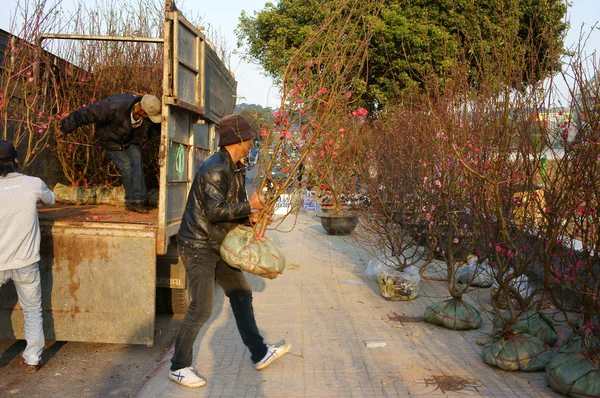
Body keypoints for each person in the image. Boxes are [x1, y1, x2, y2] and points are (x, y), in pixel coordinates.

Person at [169, 114, 290, 388]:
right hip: (198, 244)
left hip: (218, 242)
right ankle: (179, 366)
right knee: (201, 308)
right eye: (249, 138)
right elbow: (213, 212)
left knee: (241, 293)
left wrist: (251, 219)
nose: (252, 142)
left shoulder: (236, 167)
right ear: (239, 140)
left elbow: (228, 212)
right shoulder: (215, 168)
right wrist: (251, 206)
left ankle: (259, 353)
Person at [0, 140, 56, 373]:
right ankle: (33, 359)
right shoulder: (33, 183)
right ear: (16, 161)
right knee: (32, 311)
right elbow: (51, 199)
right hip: (26, 263)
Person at [60, 94, 162, 213]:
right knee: (126, 167)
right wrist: (66, 127)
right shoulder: (114, 106)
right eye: (149, 116)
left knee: (137, 162)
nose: (150, 119)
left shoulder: (148, 114)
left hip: (130, 138)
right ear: (140, 109)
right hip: (110, 139)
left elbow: (154, 133)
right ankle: (131, 201)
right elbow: (86, 113)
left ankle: (138, 200)